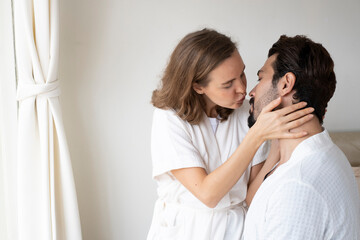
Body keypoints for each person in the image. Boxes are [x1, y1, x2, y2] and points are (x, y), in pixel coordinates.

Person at [147, 29, 313, 240]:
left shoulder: (248, 113)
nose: (242, 89)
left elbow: (253, 196)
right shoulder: (168, 118)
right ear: (198, 86)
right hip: (185, 230)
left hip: (237, 229)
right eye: (228, 84)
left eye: (242, 74)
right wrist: (257, 135)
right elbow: (208, 195)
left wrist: (277, 145)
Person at [243, 35, 360, 239]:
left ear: (286, 83)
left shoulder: (297, 186)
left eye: (261, 78)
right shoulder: (326, 155)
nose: (251, 92)